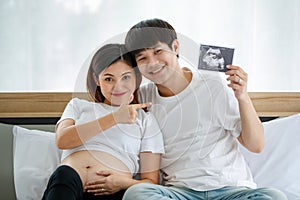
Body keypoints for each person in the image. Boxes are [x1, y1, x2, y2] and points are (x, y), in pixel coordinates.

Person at [117, 18, 286, 199]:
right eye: (142, 58)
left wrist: (242, 96)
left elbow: (256, 145)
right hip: (180, 192)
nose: (152, 63)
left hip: (231, 190)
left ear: (175, 47)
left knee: (274, 196)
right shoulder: (142, 97)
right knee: (137, 193)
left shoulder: (213, 85)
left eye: (158, 51)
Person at [42, 43, 164, 200]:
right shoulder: (78, 106)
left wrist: (122, 183)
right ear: (97, 79)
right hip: (67, 182)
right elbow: (63, 140)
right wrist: (115, 118)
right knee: (63, 174)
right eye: (108, 79)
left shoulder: (145, 120)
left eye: (126, 77)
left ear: (137, 78)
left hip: (113, 191)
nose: (118, 86)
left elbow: (151, 182)